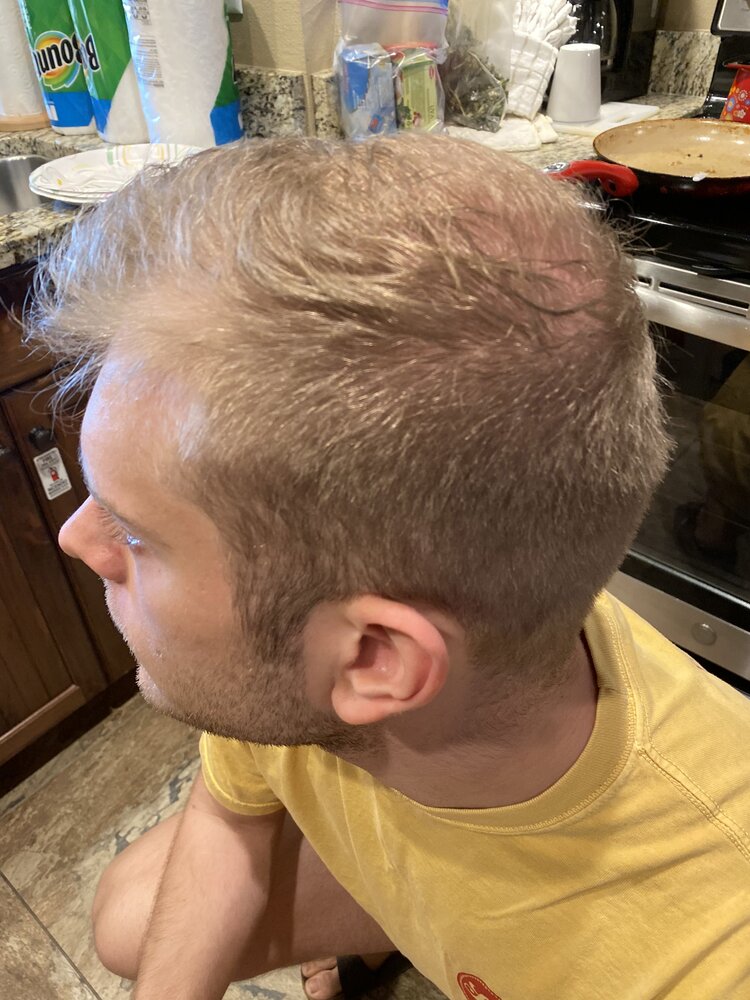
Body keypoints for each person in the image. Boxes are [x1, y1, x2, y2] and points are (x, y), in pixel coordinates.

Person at [29, 134, 750, 1000]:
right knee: (127, 919)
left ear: (374, 658)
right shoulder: (316, 620)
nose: (78, 540)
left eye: (137, 534)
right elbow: (231, 807)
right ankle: (401, 912)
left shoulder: (696, 962)